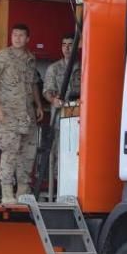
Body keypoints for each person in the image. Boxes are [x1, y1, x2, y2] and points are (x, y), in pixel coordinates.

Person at [0, 23, 43, 205]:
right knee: (9, 152)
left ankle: (23, 192)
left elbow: (33, 83)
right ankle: (7, 192)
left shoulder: (30, 59)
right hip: (8, 114)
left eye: (21, 35)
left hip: (28, 114)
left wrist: (39, 105)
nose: (17, 38)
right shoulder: (2, 57)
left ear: (28, 39)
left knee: (28, 152)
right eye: (14, 35)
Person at [42, 33, 81, 193]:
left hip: (80, 120)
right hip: (60, 120)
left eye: (70, 44)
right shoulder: (54, 68)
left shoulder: (84, 67)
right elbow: (47, 91)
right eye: (64, 44)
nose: (66, 48)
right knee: (58, 156)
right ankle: (59, 190)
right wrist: (54, 100)